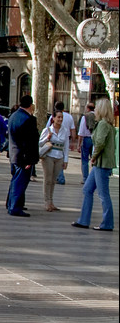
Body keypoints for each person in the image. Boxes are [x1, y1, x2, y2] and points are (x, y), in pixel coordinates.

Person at [73, 98, 114, 232]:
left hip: (101, 163)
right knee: (87, 189)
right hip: (101, 164)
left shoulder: (103, 124)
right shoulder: (108, 125)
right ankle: (84, 220)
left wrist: (94, 156)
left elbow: (100, 143)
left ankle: (107, 223)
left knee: (103, 194)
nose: (95, 110)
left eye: (97, 108)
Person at [6, 95, 39, 217]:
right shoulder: (28, 119)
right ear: (31, 105)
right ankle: (14, 207)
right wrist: (30, 159)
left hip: (14, 153)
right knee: (19, 182)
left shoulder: (13, 116)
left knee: (15, 180)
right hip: (24, 156)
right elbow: (30, 141)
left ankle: (11, 204)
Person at [39, 109, 71, 212]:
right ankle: (46, 201)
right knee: (47, 179)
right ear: (53, 118)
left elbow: (66, 146)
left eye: (61, 117)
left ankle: (51, 201)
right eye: (58, 117)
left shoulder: (65, 131)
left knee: (53, 180)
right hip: (48, 156)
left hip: (59, 157)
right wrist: (47, 138)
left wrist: (66, 160)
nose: (60, 119)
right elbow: (40, 143)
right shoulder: (48, 129)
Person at [78, 101, 97, 183]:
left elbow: (81, 131)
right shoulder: (97, 116)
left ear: (87, 108)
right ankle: (94, 178)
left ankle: (85, 179)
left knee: (85, 160)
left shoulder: (84, 117)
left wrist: (78, 144)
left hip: (86, 139)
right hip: (95, 139)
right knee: (95, 159)